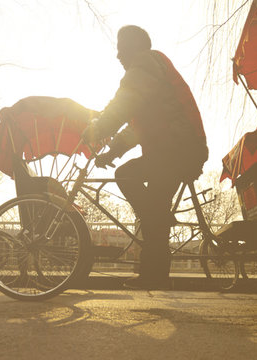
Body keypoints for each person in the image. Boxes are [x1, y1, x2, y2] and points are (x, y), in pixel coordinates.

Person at [82, 25, 208, 289]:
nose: (117, 56)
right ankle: (155, 271)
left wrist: (96, 129)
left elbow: (123, 105)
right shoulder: (151, 70)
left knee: (132, 182)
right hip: (175, 149)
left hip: (178, 149)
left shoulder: (145, 64)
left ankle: (154, 268)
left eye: (120, 49)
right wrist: (113, 151)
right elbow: (136, 127)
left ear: (133, 48)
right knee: (152, 202)